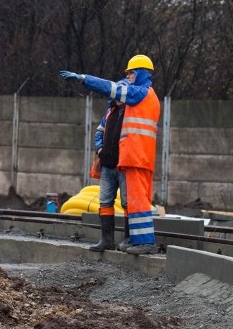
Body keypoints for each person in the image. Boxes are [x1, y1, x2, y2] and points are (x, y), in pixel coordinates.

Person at [60, 54, 160, 254]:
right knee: (128, 202)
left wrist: (84, 79)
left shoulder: (140, 94)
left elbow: (112, 88)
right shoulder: (127, 105)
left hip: (136, 158)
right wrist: (101, 149)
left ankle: (144, 242)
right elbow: (102, 130)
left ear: (140, 73)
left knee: (136, 203)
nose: (129, 76)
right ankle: (131, 241)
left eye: (131, 73)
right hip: (128, 159)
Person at [88, 83, 129, 252]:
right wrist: (99, 149)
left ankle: (128, 239)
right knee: (104, 202)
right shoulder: (110, 112)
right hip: (107, 166)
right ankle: (107, 240)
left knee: (128, 204)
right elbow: (99, 133)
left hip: (124, 166)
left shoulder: (132, 113)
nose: (118, 98)